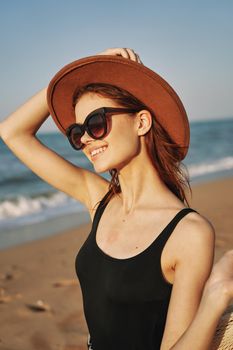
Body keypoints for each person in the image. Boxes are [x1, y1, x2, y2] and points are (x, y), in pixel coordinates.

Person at [0, 47, 232, 350]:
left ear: (141, 122)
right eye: (77, 132)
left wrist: (216, 297)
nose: (84, 139)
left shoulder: (189, 233)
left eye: (96, 123)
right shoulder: (99, 199)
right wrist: (81, 71)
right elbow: (12, 132)